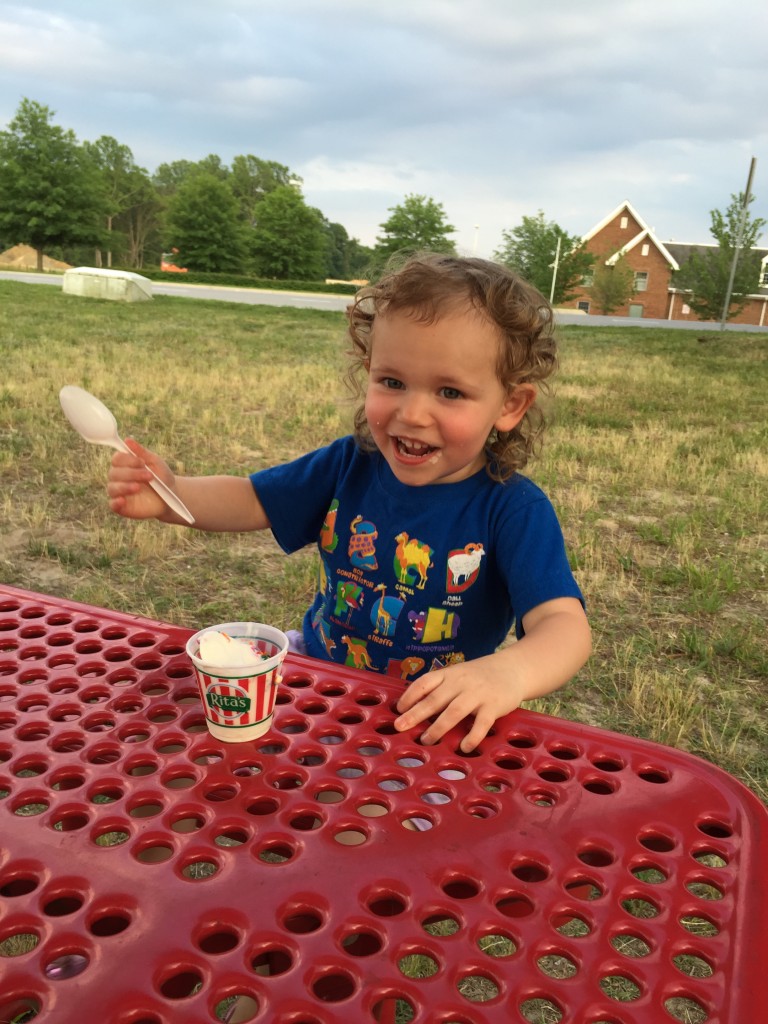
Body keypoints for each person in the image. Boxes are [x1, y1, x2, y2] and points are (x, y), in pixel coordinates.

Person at [107, 252, 591, 753]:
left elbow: (563, 626)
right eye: (392, 382)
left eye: (449, 391)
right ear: (368, 372)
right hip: (317, 682)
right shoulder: (348, 464)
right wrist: (173, 494)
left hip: (425, 716)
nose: (412, 411)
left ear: (509, 405)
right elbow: (252, 499)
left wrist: (509, 671)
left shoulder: (512, 510)